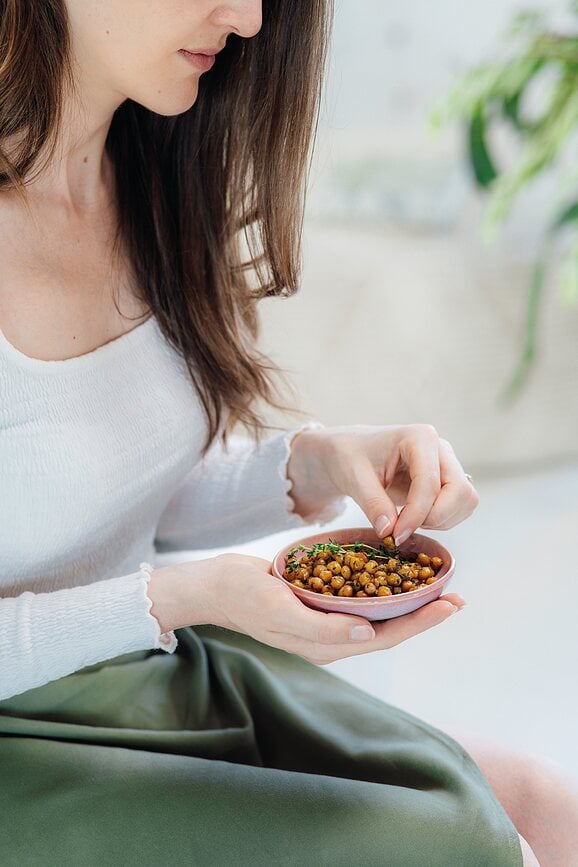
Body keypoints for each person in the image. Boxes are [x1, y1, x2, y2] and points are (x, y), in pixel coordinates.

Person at [0, 1, 576, 865]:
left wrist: (321, 462)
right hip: (29, 740)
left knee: (545, 803)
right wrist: (183, 597)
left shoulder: (144, 171)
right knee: (461, 840)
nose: (249, 17)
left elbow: (85, 488)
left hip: (144, 672)